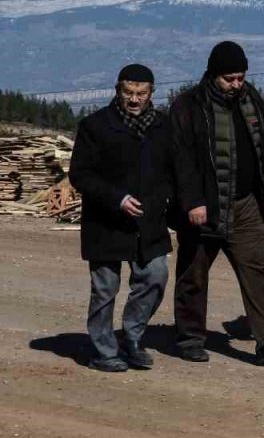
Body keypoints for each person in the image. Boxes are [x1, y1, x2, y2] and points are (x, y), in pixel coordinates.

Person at [168, 41, 264, 365]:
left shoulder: (252, 100)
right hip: (204, 207)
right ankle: (190, 337)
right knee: (194, 274)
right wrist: (193, 202)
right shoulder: (189, 106)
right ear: (214, 75)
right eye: (230, 79)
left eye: (240, 78)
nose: (236, 85)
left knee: (257, 270)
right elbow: (180, 160)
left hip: (245, 205)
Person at [68, 63, 171, 372]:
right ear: (118, 90)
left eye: (141, 93)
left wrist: (172, 199)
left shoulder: (164, 127)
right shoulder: (95, 126)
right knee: (105, 289)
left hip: (148, 222)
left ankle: (133, 337)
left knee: (155, 276)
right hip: (106, 222)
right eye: (128, 92)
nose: (134, 99)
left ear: (152, 93)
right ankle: (103, 350)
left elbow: (176, 168)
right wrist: (117, 198)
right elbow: (80, 174)